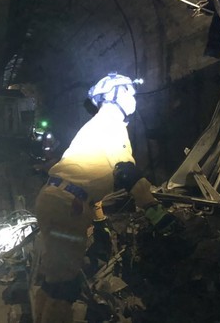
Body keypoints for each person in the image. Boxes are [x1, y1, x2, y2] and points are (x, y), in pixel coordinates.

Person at [34, 72, 179, 323]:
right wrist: (155, 212)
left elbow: (88, 175)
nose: (133, 99)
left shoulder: (93, 127)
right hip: (68, 207)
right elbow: (126, 172)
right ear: (114, 96)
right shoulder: (111, 125)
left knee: (52, 279)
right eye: (128, 93)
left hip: (53, 199)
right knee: (64, 288)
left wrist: (99, 220)